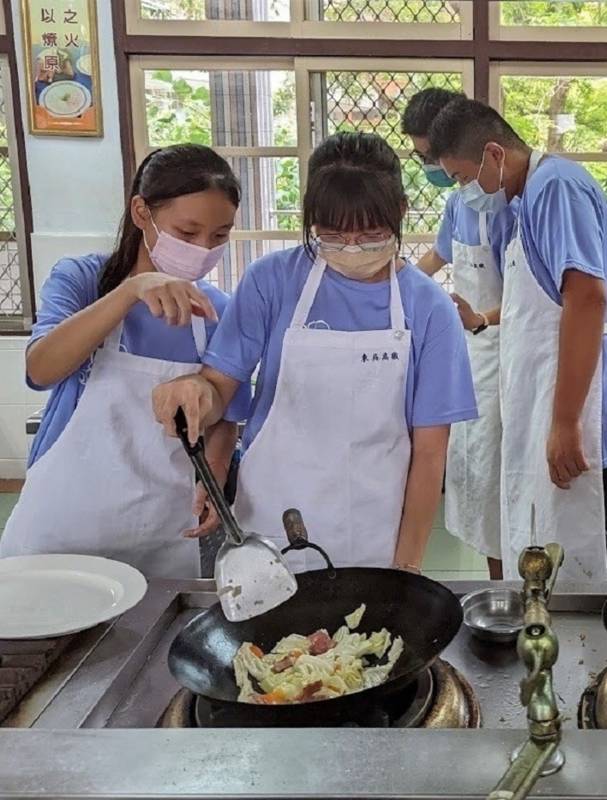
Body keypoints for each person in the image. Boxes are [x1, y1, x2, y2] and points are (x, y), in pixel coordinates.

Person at [152, 131, 477, 573]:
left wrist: (407, 571)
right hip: (269, 522)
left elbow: (430, 452)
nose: (352, 248)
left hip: (373, 532)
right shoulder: (271, 281)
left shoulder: (428, 308)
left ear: (400, 212)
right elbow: (219, 387)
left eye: (371, 234)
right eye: (333, 234)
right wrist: (194, 391)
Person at [428, 98, 607, 582]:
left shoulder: (556, 187)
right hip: (558, 401)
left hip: (588, 409)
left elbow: (588, 298)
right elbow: (533, 309)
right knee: (551, 548)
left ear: (493, 154)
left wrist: (566, 420)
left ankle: (599, 656)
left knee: (591, 559)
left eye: (461, 176)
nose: (461, 190)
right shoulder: (526, 198)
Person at [1, 144, 250, 576]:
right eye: (187, 233)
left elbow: (226, 413)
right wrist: (130, 291)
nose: (203, 248)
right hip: (62, 528)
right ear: (141, 212)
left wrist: (216, 467)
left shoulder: (215, 311)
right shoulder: (85, 279)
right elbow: (40, 369)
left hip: (162, 530)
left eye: (220, 235)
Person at [403, 88, 513, 579]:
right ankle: (494, 582)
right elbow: (436, 258)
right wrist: (388, 284)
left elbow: (535, 300)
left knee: (496, 479)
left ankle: (510, 583)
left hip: (507, 354)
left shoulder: (512, 205)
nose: (434, 169)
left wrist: (482, 318)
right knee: (471, 476)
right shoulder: (458, 203)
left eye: (433, 157)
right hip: (472, 355)